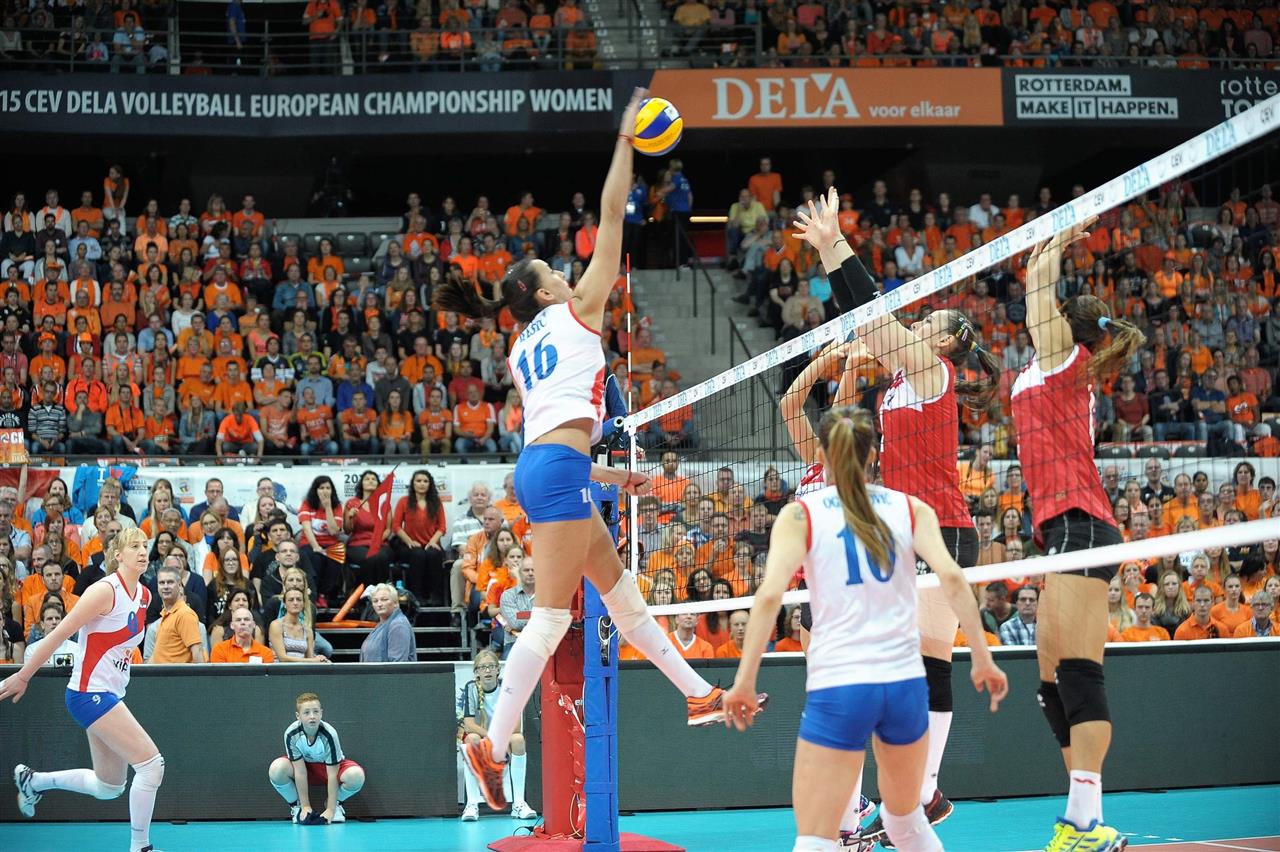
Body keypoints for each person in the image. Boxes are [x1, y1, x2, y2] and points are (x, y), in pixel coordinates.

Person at [436, 89, 753, 815]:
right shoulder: (576, 312)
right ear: (546, 288)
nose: (564, 269)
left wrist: (611, 473)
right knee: (550, 619)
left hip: (553, 466)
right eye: (553, 267)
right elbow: (612, 217)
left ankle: (700, 694)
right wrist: (623, 141)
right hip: (553, 469)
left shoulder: (520, 346)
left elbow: (560, 433)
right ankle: (490, 741)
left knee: (622, 595)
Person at [795, 186, 998, 842]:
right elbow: (869, 344)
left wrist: (833, 247)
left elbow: (879, 320)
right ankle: (901, 803)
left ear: (941, 342)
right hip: (903, 536)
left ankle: (921, 790)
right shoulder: (894, 388)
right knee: (906, 667)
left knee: (927, 665)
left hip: (945, 533)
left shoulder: (933, 376)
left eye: (927, 322)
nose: (917, 326)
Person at [721, 406, 1006, 852]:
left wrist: (744, 680)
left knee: (816, 836)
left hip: (841, 684)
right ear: (875, 453)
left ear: (821, 452)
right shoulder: (911, 508)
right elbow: (952, 578)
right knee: (906, 823)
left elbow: (770, 597)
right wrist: (983, 657)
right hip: (904, 685)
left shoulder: (802, 513)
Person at [1011, 221, 1143, 851]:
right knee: (1048, 680)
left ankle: (1084, 823)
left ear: (1068, 328)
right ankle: (1080, 816)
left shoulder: (1067, 363)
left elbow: (1038, 285)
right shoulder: (1040, 370)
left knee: (1079, 672)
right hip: (1057, 529)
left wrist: (1060, 235)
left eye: (1052, 319)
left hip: (1085, 524)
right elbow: (1036, 286)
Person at [2, 528, 167, 852]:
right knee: (151, 764)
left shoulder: (145, 595)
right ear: (117, 555)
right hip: (89, 693)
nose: (142, 551)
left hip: (109, 694)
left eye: (144, 545)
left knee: (109, 786)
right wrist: (24, 675)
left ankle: (33, 781)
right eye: (134, 546)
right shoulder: (104, 591)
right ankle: (141, 848)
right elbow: (58, 633)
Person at [456, 649, 538, 821]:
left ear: (497, 670)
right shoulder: (471, 688)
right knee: (471, 739)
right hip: (484, 737)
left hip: (505, 738)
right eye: (483, 667)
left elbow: (516, 725)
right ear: (476, 672)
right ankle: (472, 805)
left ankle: (519, 804)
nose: (487, 671)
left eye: (491, 666)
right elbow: (469, 724)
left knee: (518, 739)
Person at [268, 692, 366, 824]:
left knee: (356, 775)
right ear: (298, 716)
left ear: (321, 713)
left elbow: (332, 774)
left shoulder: (329, 734)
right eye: (306, 713)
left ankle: (335, 804)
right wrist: (306, 806)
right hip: (305, 769)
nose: (312, 717)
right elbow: (300, 772)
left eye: (315, 712)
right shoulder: (291, 734)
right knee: (276, 769)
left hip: (329, 769)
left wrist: (330, 810)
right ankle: (297, 806)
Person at [147, 564, 206, 664]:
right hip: (160, 678)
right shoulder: (166, 615)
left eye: (170, 582)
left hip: (176, 678)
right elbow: (159, 655)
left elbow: (197, 654)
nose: (165, 586)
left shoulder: (185, 614)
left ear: (179, 585)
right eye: (161, 583)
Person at [268, 588, 329, 663]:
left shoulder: (308, 630)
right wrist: (313, 660)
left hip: (302, 671)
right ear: (284, 604)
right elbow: (283, 658)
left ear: (303, 604)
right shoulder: (276, 625)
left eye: (299, 599)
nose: (295, 603)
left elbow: (310, 658)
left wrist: (319, 658)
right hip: (281, 670)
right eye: (291, 600)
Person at [359, 583, 414, 662]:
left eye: (384, 599)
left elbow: (397, 665)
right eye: (375, 601)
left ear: (395, 603)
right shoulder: (383, 624)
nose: (379, 604)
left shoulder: (398, 625)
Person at [210, 606, 276, 663]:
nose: (243, 622)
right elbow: (219, 676)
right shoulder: (219, 650)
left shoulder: (266, 653)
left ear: (253, 625)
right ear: (232, 625)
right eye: (238, 620)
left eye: (246, 619)